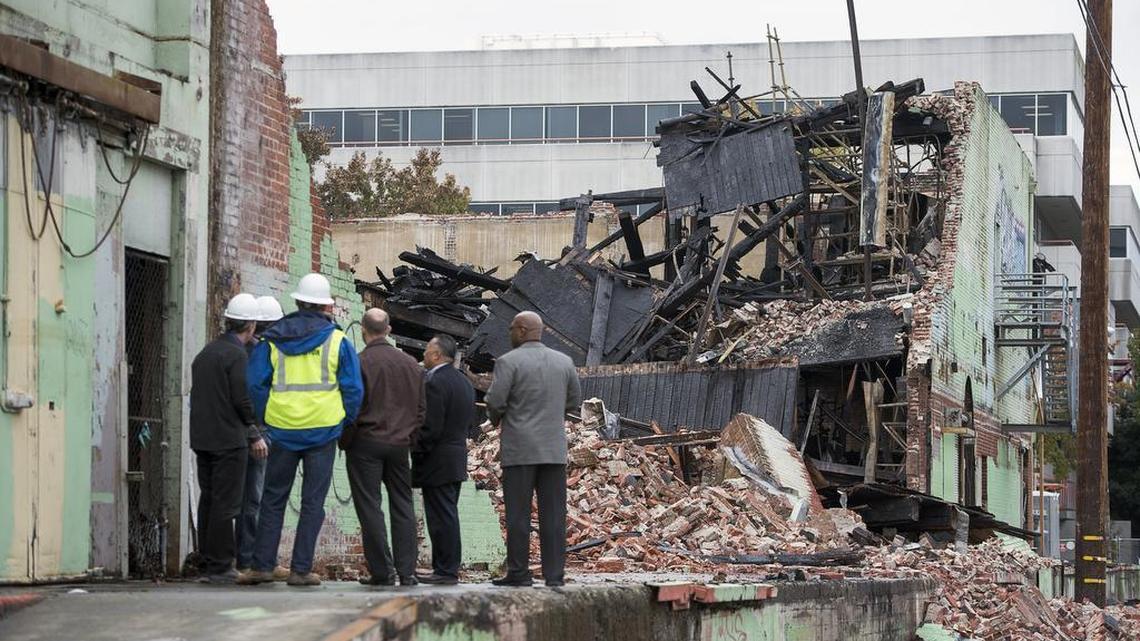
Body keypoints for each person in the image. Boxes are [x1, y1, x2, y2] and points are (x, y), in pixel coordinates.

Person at [239, 274, 363, 587]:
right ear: (325, 306)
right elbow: (353, 389)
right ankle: (300, 570)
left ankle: (262, 566)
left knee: (272, 499)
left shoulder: (271, 341)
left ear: (297, 301)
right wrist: (342, 421)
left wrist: (268, 415)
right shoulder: (338, 341)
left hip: (282, 429)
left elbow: (254, 384)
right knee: (312, 503)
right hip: (323, 431)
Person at [484, 311, 581, 587]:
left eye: (512, 328)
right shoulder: (564, 362)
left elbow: (495, 401)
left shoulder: (508, 362)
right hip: (553, 451)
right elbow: (574, 401)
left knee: (518, 515)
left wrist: (496, 419)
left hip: (519, 450)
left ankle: (518, 573)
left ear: (522, 330)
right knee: (554, 516)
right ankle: (554, 575)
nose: (510, 333)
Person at [341, 309, 425, 587]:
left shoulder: (359, 362)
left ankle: (383, 571)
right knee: (403, 504)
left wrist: (346, 440)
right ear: (388, 330)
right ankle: (407, 572)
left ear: (363, 330)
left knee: (370, 506)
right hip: (399, 445)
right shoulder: (410, 364)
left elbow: (351, 406)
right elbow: (421, 409)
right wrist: (409, 438)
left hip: (365, 442)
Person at [189, 293, 269, 584]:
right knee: (227, 504)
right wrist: (254, 433)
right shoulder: (236, 355)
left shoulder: (205, 353)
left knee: (209, 500)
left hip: (203, 439)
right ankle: (222, 565)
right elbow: (241, 398)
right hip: (229, 440)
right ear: (250, 325)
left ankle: (207, 562)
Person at [413, 334, 476, 585]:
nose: (424, 355)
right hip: (456, 457)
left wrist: (416, 449)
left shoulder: (434, 382)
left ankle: (446, 570)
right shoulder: (464, 383)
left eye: (427, 350)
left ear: (437, 355)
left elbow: (431, 427)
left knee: (440, 518)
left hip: (437, 460)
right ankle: (445, 568)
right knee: (447, 514)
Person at [234, 296, 287, 579]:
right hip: (261, 431)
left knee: (260, 498)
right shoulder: (255, 353)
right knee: (256, 498)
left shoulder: (256, 351)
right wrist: (256, 433)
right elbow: (250, 396)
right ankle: (251, 560)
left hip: (264, 430)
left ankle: (262, 559)